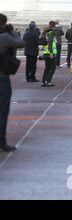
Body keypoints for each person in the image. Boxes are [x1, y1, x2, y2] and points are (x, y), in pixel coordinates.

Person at [0, 14, 25, 152]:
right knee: (2, 111)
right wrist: (11, 32)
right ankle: (1, 142)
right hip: (2, 78)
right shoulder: (4, 37)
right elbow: (21, 43)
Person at [41, 21, 57, 87]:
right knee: (53, 67)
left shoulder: (46, 32)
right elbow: (50, 42)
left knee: (47, 67)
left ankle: (43, 81)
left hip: (46, 52)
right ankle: (48, 81)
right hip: (50, 52)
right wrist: (51, 53)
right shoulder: (51, 33)